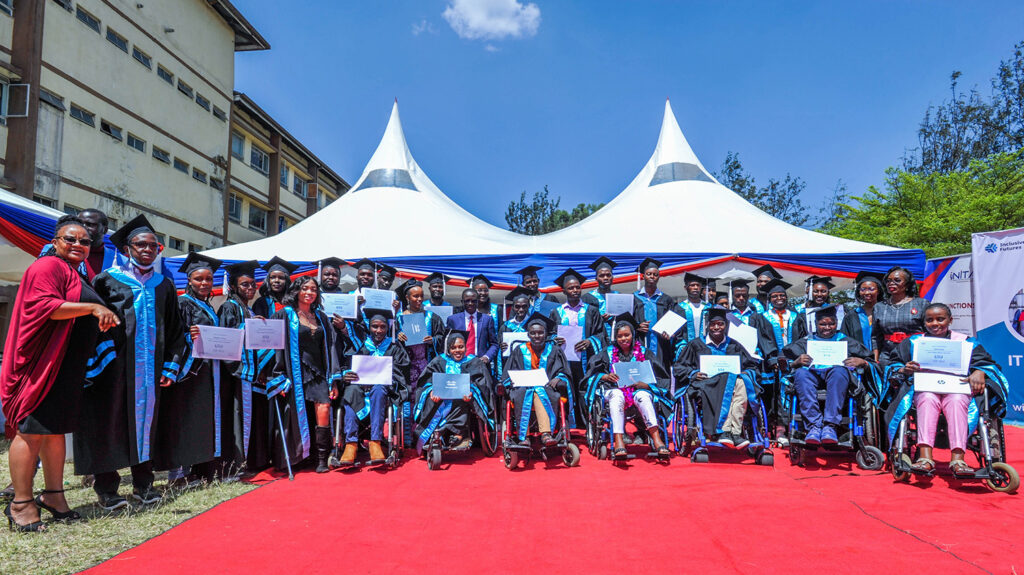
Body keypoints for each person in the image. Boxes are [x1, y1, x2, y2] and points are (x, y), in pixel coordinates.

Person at [2, 217, 119, 531]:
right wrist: (93, 308)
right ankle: (21, 504)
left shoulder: (72, 270)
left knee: (54, 432)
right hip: (41, 367)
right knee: (31, 431)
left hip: (64, 366)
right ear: (55, 242)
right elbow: (46, 306)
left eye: (84, 241)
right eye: (70, 239)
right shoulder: (48, 266)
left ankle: (54, 497)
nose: (78, 244)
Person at [76, 214, 187, 510]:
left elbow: (176, 329)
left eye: (154, 246)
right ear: (127, 248)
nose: (148, 250)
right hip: (114, 370)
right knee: (108, 423)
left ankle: (143, 484)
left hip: (151, 371)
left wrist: (171, 365)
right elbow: (91, 324)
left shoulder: (164, 285)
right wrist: (102, 361)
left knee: (147, 424)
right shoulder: (106, 280)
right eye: (141, 244)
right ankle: (107, 488)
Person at [882, 303, 1008, 474]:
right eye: (930, 320)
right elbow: (893, 364)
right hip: (925, 387)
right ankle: (925, 458)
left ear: (950, 320)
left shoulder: (966, 342)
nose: (935, 323)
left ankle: (958, 460)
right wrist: (904, 369)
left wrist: (979, 372)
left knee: (956, 401)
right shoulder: (913, 342)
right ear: (924, 322)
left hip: (957, 388)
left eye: (940, 319)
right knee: (927, 398)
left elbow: (988, 364)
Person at [154, 253, 224, 485]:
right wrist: (187, 335)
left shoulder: (207, 305)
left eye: (208, 279)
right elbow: (172, 334)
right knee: (181, 419)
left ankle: (192, 470)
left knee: (196, 420)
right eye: (198, 279)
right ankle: (176, 475)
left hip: (204, 372)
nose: (204, 283)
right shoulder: (183, 303)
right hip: (186, 372)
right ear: (189, 281)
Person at [267, 276, 343, 473]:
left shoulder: (321, 317)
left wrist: (334, 379)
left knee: (324, 407)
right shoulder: (284, 315)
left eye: (314, 289)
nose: (310, 292)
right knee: (296, 413)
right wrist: (278, 375)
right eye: (305, 289)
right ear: (296, 291)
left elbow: (331, 346)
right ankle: (300, 457)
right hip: (295, 371)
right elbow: (273, 344)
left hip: (318, 371)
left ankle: (322, 458)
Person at [783, 305, 873, 444]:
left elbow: (870, 360)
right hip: (812, 377)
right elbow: (783, 362)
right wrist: (795, 362)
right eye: (822, 324)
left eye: (831, 324)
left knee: (839, 371)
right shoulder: (806, 342)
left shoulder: (845, 341)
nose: (827, 327)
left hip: (838, 380)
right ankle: (814, 426)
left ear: (837, 323)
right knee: (801, 374)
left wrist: (861, 361)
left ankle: (830, 426)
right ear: (815, 324)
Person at [584, 314, 671, 457]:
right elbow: (591, 375)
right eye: (620, 336)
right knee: (617, 395)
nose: (623, 339)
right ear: (615, 337)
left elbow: (660, 377)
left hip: (637, 391)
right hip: (613, 390)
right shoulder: (606, 353)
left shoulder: (645, 353)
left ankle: (656, 439)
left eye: (627, 335)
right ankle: (618, 440)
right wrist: (604, 376)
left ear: (633, 335)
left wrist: (647, 385)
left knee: (643, 395)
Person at [218, 260, 275, 476]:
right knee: (236, 418)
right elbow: (227, 338)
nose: (250, 288)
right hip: (236, 374)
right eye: (244, 284)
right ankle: (236, 465)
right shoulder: (229, 307)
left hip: (250, 373)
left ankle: (251, 462)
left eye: (252, 284)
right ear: (233, 286)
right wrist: (249, 326)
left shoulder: (247, 308)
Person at [674, 307, 760, 448]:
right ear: (708, 326)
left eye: (720, 324)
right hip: (706, 384)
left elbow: (752, 366)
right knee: (726, 387)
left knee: (742, 384)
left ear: (726, 325)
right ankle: (724, 431)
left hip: (733, 384)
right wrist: (694, 373)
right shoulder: (696, 344)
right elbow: (679, 367)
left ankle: (735, 433)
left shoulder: (734, 345)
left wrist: (746, 372)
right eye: (713, 324)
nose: (716, 327)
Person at [339, 309, 410, 466]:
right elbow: (347, 365)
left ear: (387, 328)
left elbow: (402, 372)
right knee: (350, 391)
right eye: (374, 326)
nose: (378, 330)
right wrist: (346, 374)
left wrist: (385, 375)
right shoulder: (360, 345)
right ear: (369, 327)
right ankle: (351, 444)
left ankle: (375, 442)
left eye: (382, 327)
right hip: (359, 389)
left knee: (378, 389)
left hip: (384, 391)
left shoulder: (394, 347)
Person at [413, 330, 495, 452]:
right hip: (440, 400)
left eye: (461, 347)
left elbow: (483, 385)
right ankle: (434, 434)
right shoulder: (438, 361)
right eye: (453, 348)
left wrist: (472, 392)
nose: (457, 350)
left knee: (461, 400)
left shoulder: (474, 362)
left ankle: (458, 434)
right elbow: (426, 381)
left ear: (465, 347)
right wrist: (431, 391)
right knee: (430, 400)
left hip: (463, 400)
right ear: (448, 349)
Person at [500, 313, 572, 446]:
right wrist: (513, 380)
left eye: (540, 333)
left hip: (547, 387)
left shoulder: (554, 350)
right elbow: (508, 373)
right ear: (528, 335)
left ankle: (545, 434)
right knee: (526, 393)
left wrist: (558, 378)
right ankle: (526, 436)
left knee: (539, 392)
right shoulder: (519, 350)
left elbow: (564, 371)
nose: (537, 336)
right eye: (533, 333)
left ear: (546, 334)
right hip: (522, 387)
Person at [549, 268, 605, 416]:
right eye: (570, 288)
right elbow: (549, 335)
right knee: (568, 388)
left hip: (586, 359)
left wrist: (589, 341)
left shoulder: (591, 311)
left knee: (584, 389)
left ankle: (587, 421)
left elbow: (601, 334)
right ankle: (570, 421)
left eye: (577, 287)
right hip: (565, 360)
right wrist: (555, 339)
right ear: (564, 291)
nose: (575, 290)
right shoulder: (556, 312)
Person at [396, 280, 446, 446]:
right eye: (415, 296)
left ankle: (424, 436)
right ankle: (407, 438)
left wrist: (433, 340)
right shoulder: (399, 319)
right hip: (406, 367)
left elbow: (442, 337)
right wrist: (397, 336)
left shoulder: (432, 317)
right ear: (407, 298)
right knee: (408, 400)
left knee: (425, 398)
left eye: (421, 296)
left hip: (426, 365)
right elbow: (389, 341)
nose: (419, 299)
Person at [873, 266, 930, 362]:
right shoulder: (879, 307)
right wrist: (876, 360)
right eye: (888, 281)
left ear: (907, 285)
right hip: (887, 356)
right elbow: (875, 337)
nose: (891, 283)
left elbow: (929, 331)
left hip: (914, 353)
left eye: (897, 280)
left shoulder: (921, 304)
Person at [631, 258, 676, 372]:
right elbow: (626, 321)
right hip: (640, 342)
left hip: (661, 344)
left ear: (659, 277)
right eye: (649, 274)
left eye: (655, 275)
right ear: (643, 276)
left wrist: (670, 332)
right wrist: (637, 327)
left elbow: (672, 322)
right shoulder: (633, 298)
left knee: (660, 373)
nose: (652, 276)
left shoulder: (666, 299)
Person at [446, 288, 498, 368]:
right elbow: (447, 344)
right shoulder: (453, 320)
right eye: (467, 301)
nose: (470, 303)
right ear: (462, 302)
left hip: (481, 364)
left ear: (478, 302)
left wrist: (487, 357)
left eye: (473, 301)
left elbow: (494, 344)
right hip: (459, 364)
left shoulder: (487, 319)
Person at [841, 271, 884, 356]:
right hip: (859, 359)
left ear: (878, 291)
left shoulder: (886, 312)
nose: (867, 293)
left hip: (884, 358)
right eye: (863, 289)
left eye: (871, 289)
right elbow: (845, 340)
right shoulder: (852, 316)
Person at [497, 287, 533, 377]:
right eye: (517, 306)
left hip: (530, 364)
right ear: (513, 307)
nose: (521, 309)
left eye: (524, 306)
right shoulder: (506, 326)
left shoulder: (533, 324)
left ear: (529, 306)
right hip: (511, 365)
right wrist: (501, 347)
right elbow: (498, 348)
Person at [582, 256, 620, 339]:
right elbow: (583, 322)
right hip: (597, 339)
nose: (605, 278)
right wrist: (598, 319)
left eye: (608, 275)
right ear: (596, 278)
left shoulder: (619, 296)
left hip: (617, 338)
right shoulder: (587, 298)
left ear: (612, 277)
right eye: (602, 276)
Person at [673, 272, 710, 346]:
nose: (695, 288)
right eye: (692, 285)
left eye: (698, 285)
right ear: (685, 287)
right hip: (686, 347)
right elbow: (677, 332)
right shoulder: (679, 308)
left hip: (705, 347)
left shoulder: (708, 307)